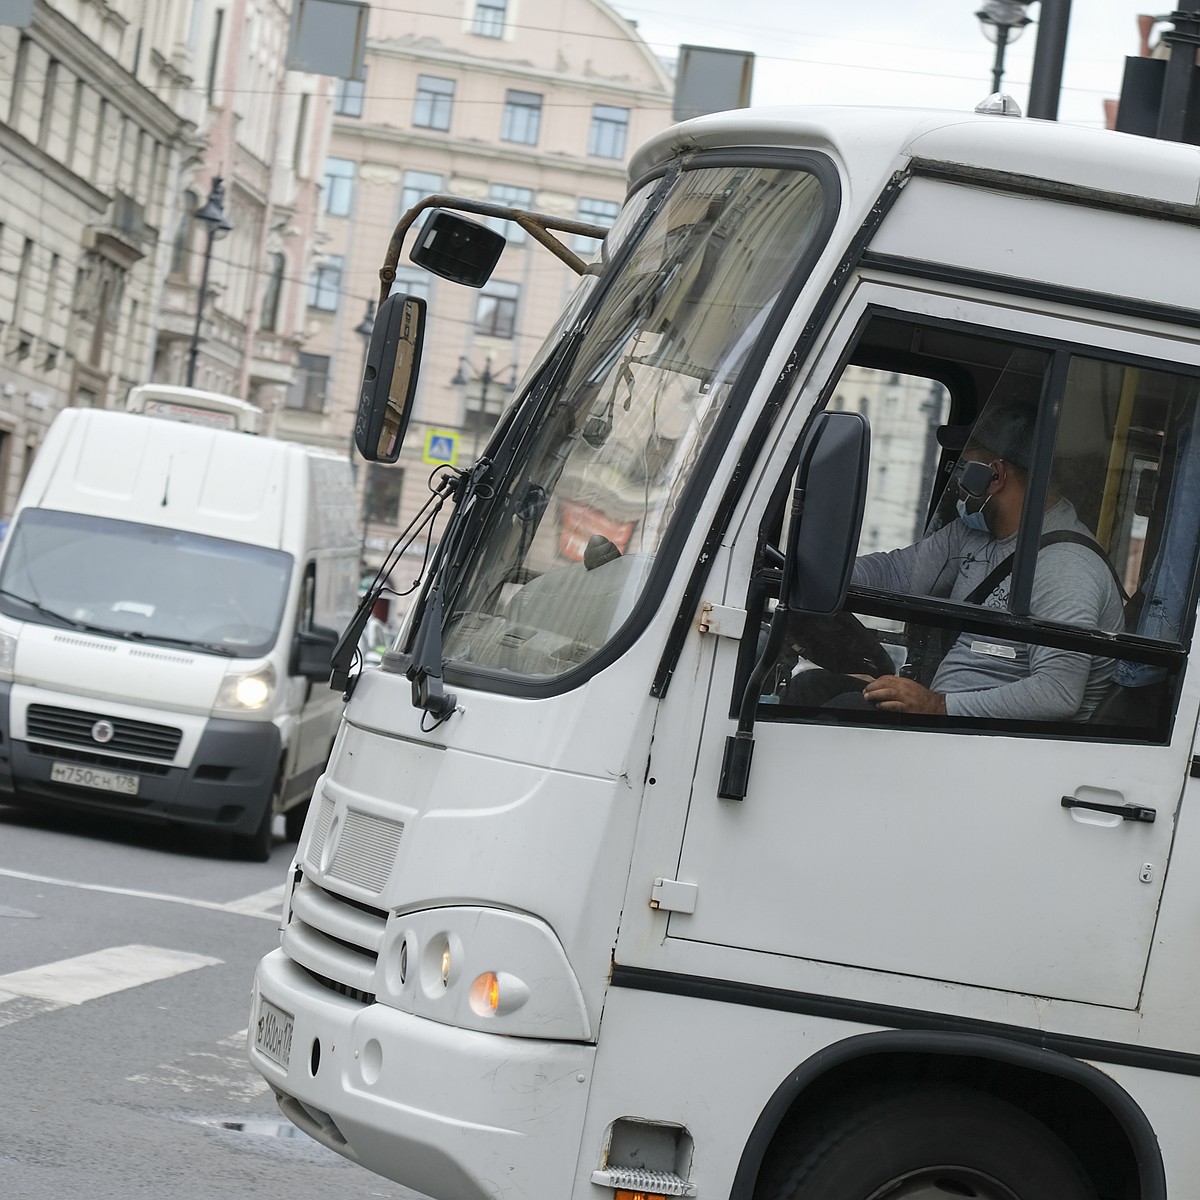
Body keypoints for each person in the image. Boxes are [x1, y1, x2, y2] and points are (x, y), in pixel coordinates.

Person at [785, 400, 1125, 721]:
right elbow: (897, 573)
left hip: (997, 741)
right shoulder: (971, 533)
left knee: (843, 712)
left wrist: (937, 705)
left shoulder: (1066, 567)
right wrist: (809, 573)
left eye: (966, 468)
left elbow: (1058, 694)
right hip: (949, 714)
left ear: (995, 475)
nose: (959, 482)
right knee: (809, 688)